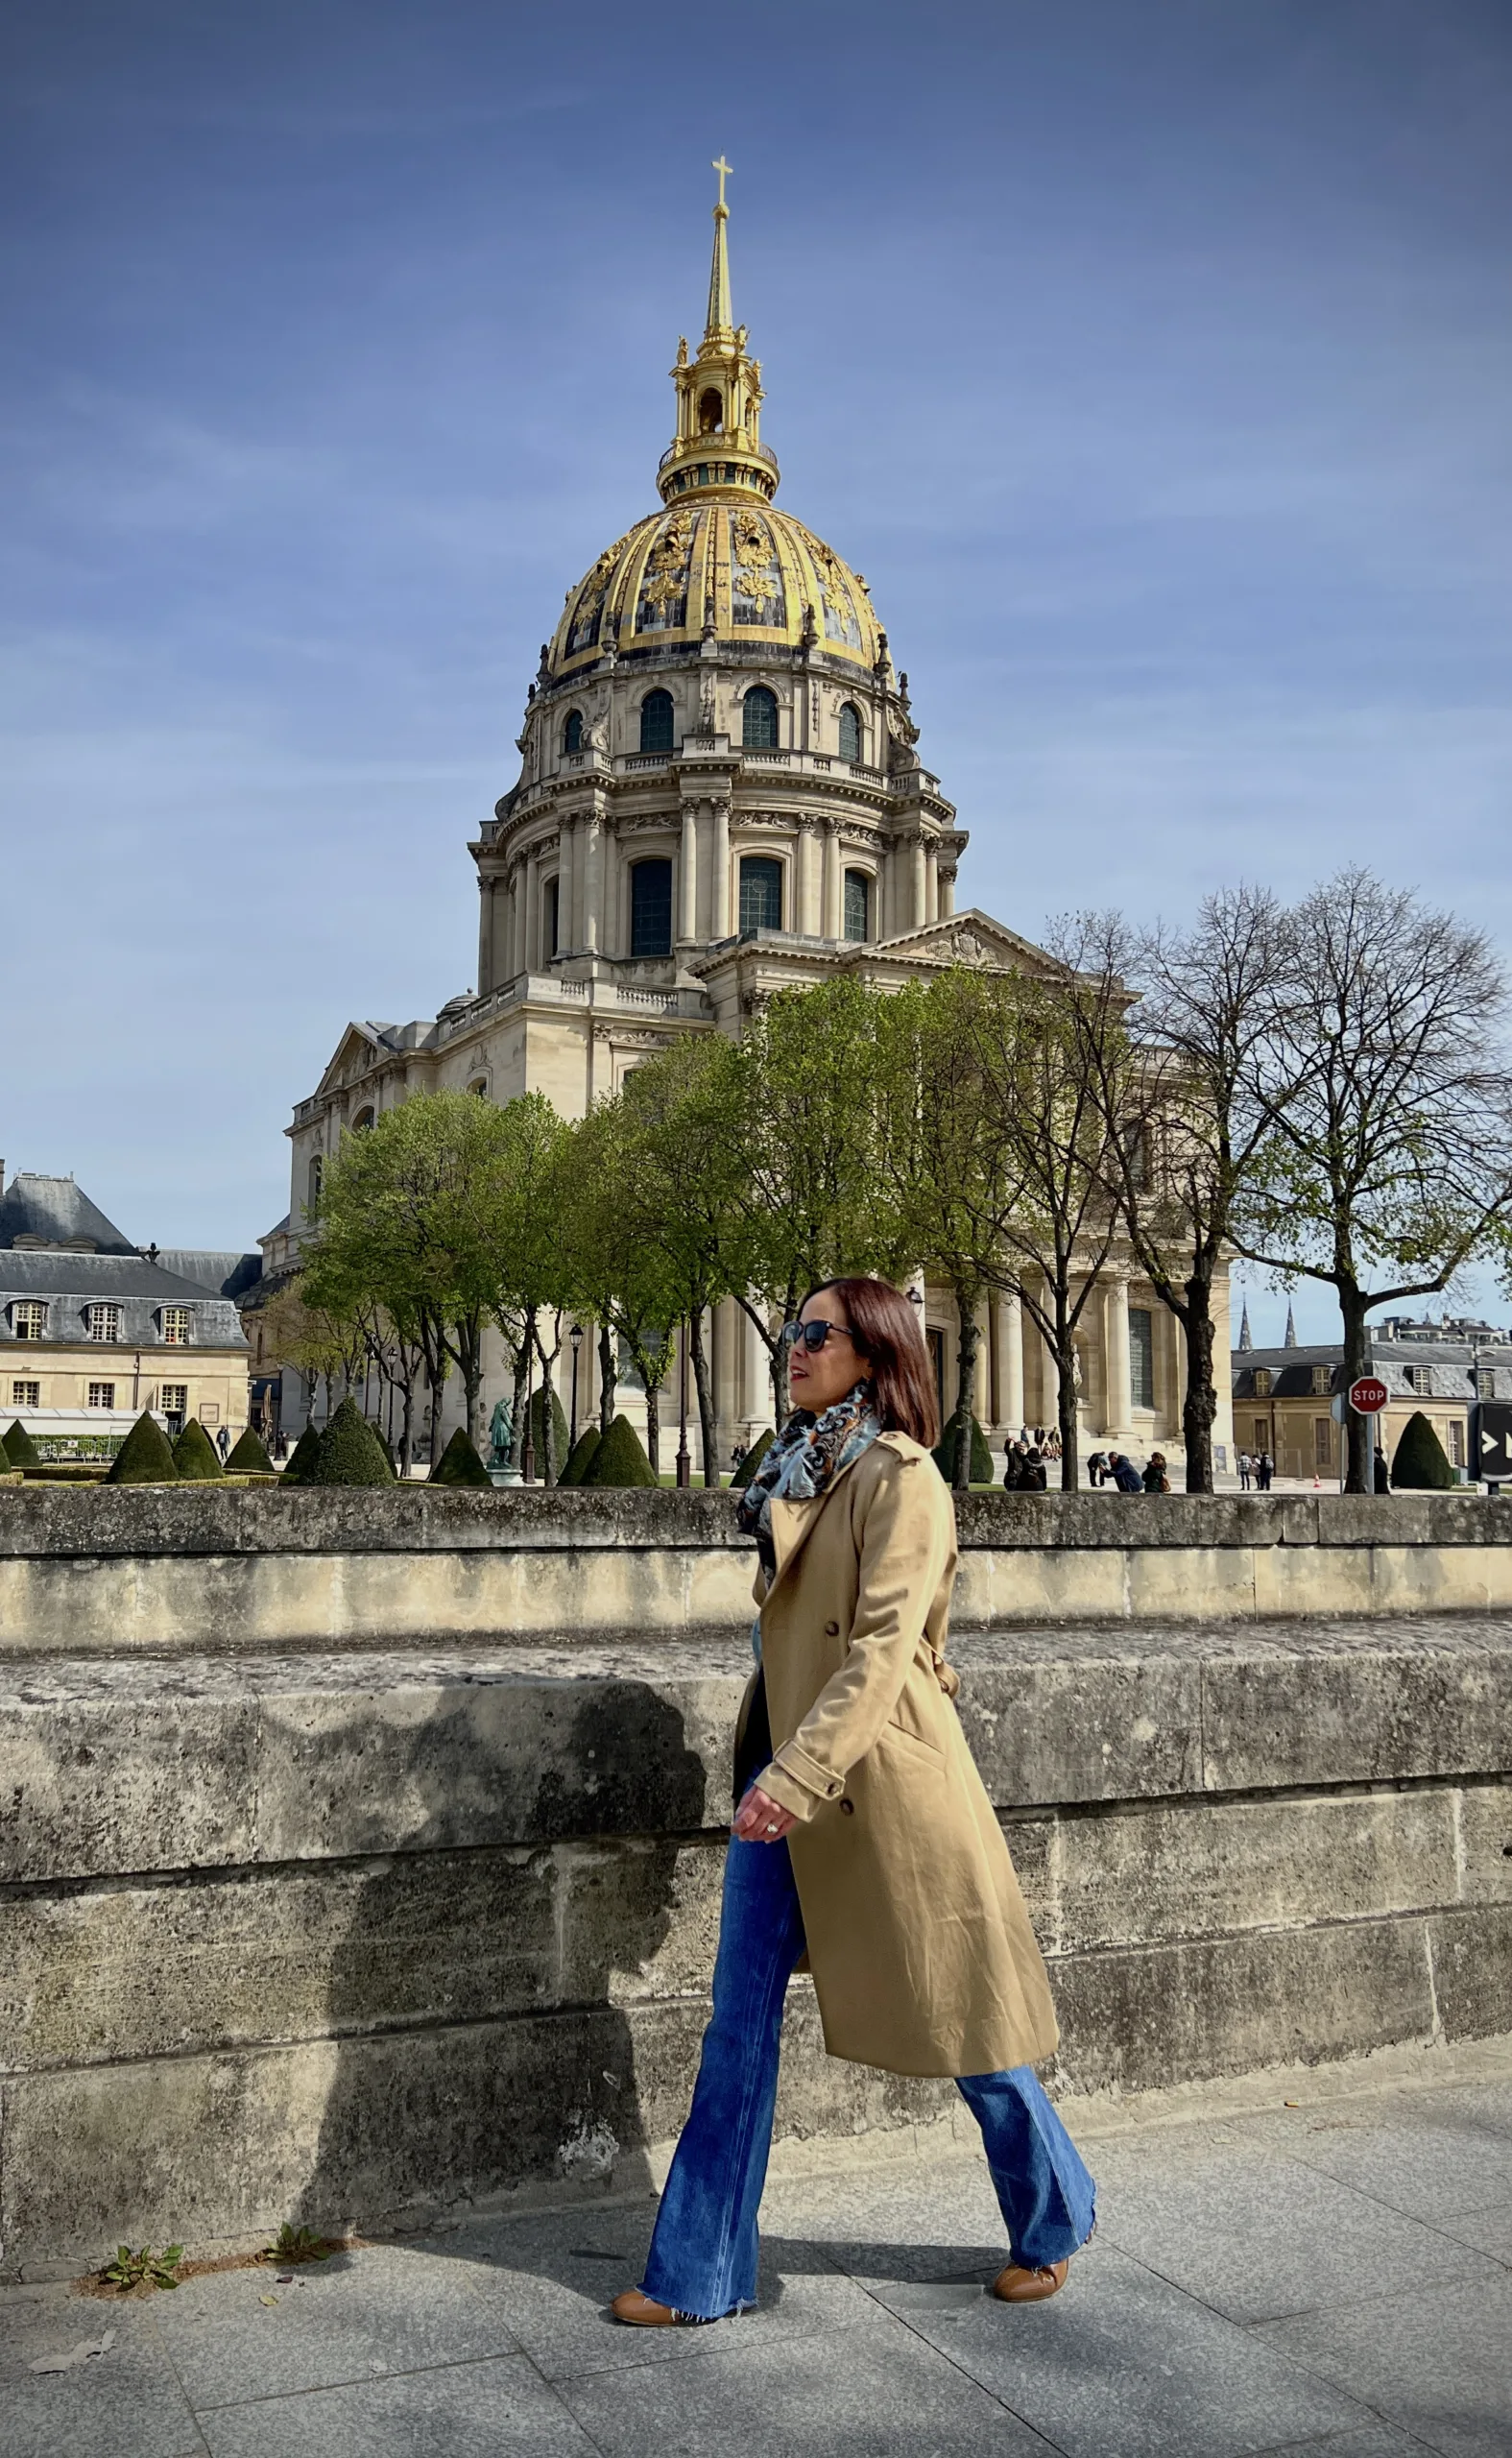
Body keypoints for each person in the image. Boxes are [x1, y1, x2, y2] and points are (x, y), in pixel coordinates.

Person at [612, 1277, 1095, 2327]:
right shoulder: (799, 1467)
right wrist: (773, 1770)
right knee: (736, 2029)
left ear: (873, 1355)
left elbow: (881, 1651)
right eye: (791, 1332)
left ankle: (1054, 2207)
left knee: (963, 2019)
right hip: (784, 1775)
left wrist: (794, 1775)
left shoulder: (900, 1476)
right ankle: (697, 2272)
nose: (792, 1347)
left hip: (868, 1781)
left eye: (814, 1334)